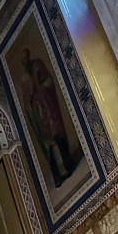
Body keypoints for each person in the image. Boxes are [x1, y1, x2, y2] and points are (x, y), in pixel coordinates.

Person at [20, 48, 76, 187]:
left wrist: (42, 90)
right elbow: (26, 101)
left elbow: (48, 79)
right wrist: (31, 104)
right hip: (38, 116)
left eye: (26, 58)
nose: (26, 62)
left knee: (58, 136)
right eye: (23, 60)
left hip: (48, 107)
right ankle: (57, 177)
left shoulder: (37, 65)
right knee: (47, 146)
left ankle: (68, 165)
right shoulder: (24, 78)